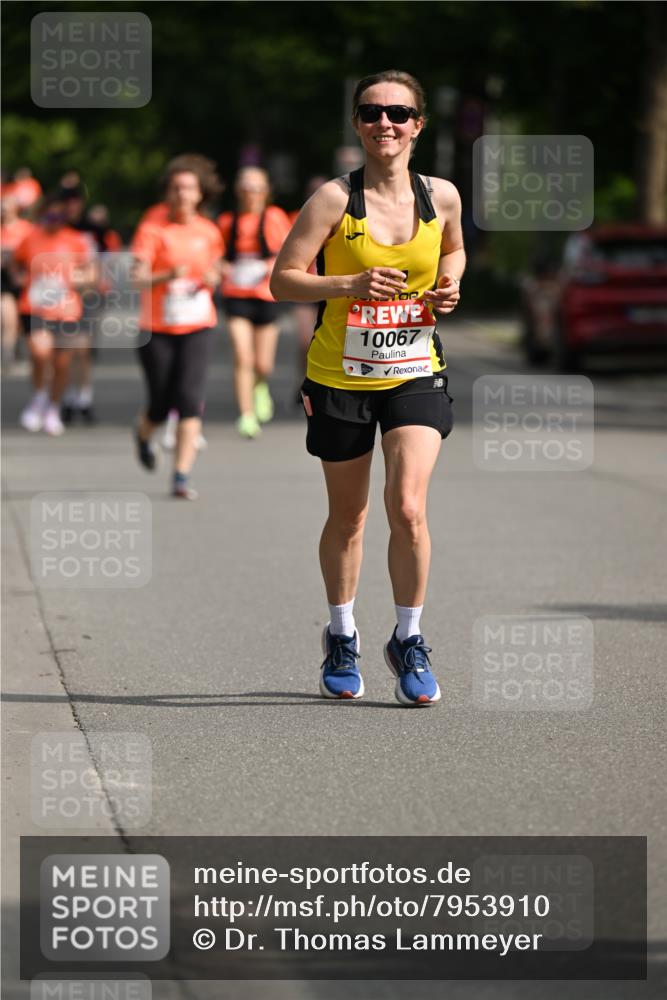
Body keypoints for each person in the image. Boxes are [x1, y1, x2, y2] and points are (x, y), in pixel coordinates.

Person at [271, 70, 465, 707]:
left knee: (407, 506)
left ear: (418, 125)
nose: (386, 123)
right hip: (339, 376)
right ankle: (342, 632)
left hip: (414, 370)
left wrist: (449, 285)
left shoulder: (442, 198)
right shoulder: (332, 200)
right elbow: (284, 280)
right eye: (372, 112)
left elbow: (455, 252)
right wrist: (347, 287)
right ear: (357, 123)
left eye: (399, 113)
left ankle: (409, 639)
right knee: (349, 515)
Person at [131, 154, 224, 500]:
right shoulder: (152, 227)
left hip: (197, 323)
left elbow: (215, 270)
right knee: (159, 403)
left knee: (188, 399)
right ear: (168, 193)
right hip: (156, 327)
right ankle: (143, 434)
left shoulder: (208, 231)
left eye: (189, 188)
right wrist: (167, 275)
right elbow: (137, 278)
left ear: (200, 194)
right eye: (176, 188)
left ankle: (181, 476)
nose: (182, 194)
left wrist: (214, 276)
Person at [12, 191, 96, 435]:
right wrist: (19, 277)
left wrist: (81, 279)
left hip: (66, 309)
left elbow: (91, 273)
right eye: (50, 213)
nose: (55, 218)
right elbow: (17, 264)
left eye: (60, 214)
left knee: (61, 363)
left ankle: (53, 407)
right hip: (35, 307)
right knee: (39, 354)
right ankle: (39, 397)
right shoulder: (30, 238)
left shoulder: (76, 240)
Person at [218, 167, 291, 438]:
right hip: (236, 294)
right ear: (239, 191)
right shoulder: (228, 221)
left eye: (257, 188)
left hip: (266, 294)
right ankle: (246, 415)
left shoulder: (275, 218)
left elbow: (290, 252)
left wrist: (269, 265)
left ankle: (260, 385)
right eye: (246, 187)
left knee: (263, 364)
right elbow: (218, 255)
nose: (251, 193)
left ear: (265, 191)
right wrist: (224, 268)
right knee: (242, 357)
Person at [1, 192, 34, 364]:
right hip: (4, 280)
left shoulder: (26, 228)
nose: (4, 208)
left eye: (7, 204)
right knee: (9, 318)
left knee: (22, 320)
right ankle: (7, 354)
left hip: (24, 279)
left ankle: (21, 345)